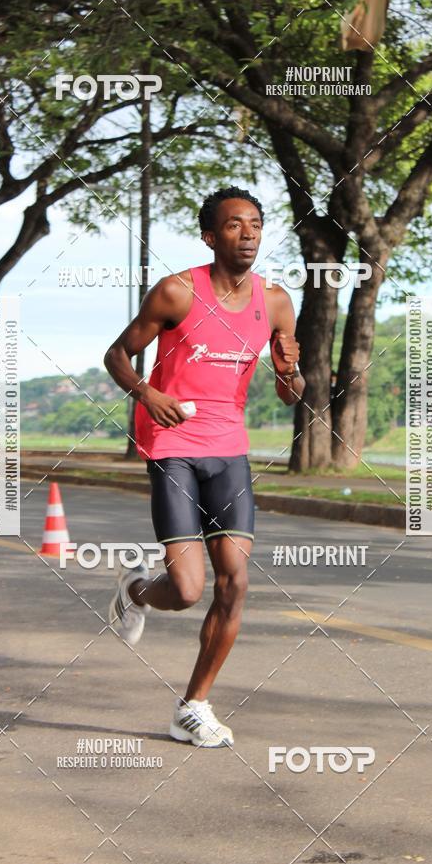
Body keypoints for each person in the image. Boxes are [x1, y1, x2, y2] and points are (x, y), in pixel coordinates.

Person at [103, 186, 305, 748]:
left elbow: (293, 393)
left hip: (230, 450)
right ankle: (136, 591)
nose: (249, 234)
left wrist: (291, 372)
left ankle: (192, 706)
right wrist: (146, 393)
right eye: (235, 225)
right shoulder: (177, 293)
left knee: (234, 584)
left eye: (257, 224)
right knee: (189, 590)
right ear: (211, 237)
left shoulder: (278, 302)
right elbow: (117, 354)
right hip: (173, 447)